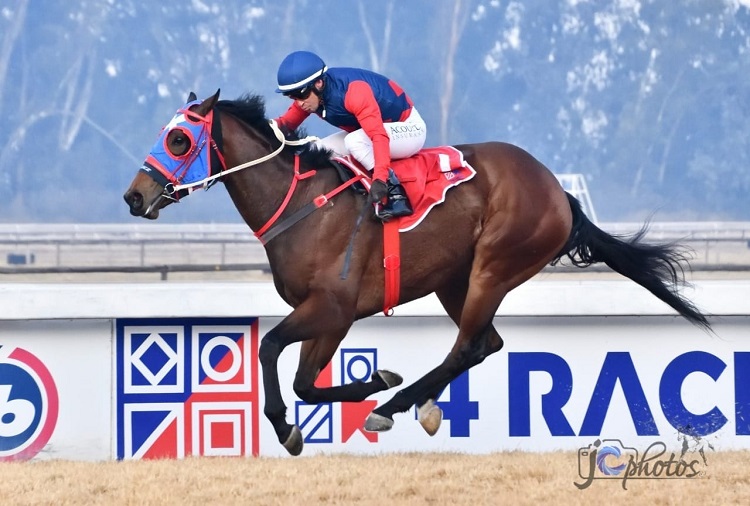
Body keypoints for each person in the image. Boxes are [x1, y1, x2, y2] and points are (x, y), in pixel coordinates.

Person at [274, 50, 427, 221]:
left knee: (354, 141)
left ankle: (396, 195)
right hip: (370, 131)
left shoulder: (354, 92)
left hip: (409, 128)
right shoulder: (311, 96)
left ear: (319, 83)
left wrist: (380, 178)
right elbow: (283, 125)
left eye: (301, 95)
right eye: (293, 96)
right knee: (316, 150)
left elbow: (379, 136)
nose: (300, 103)